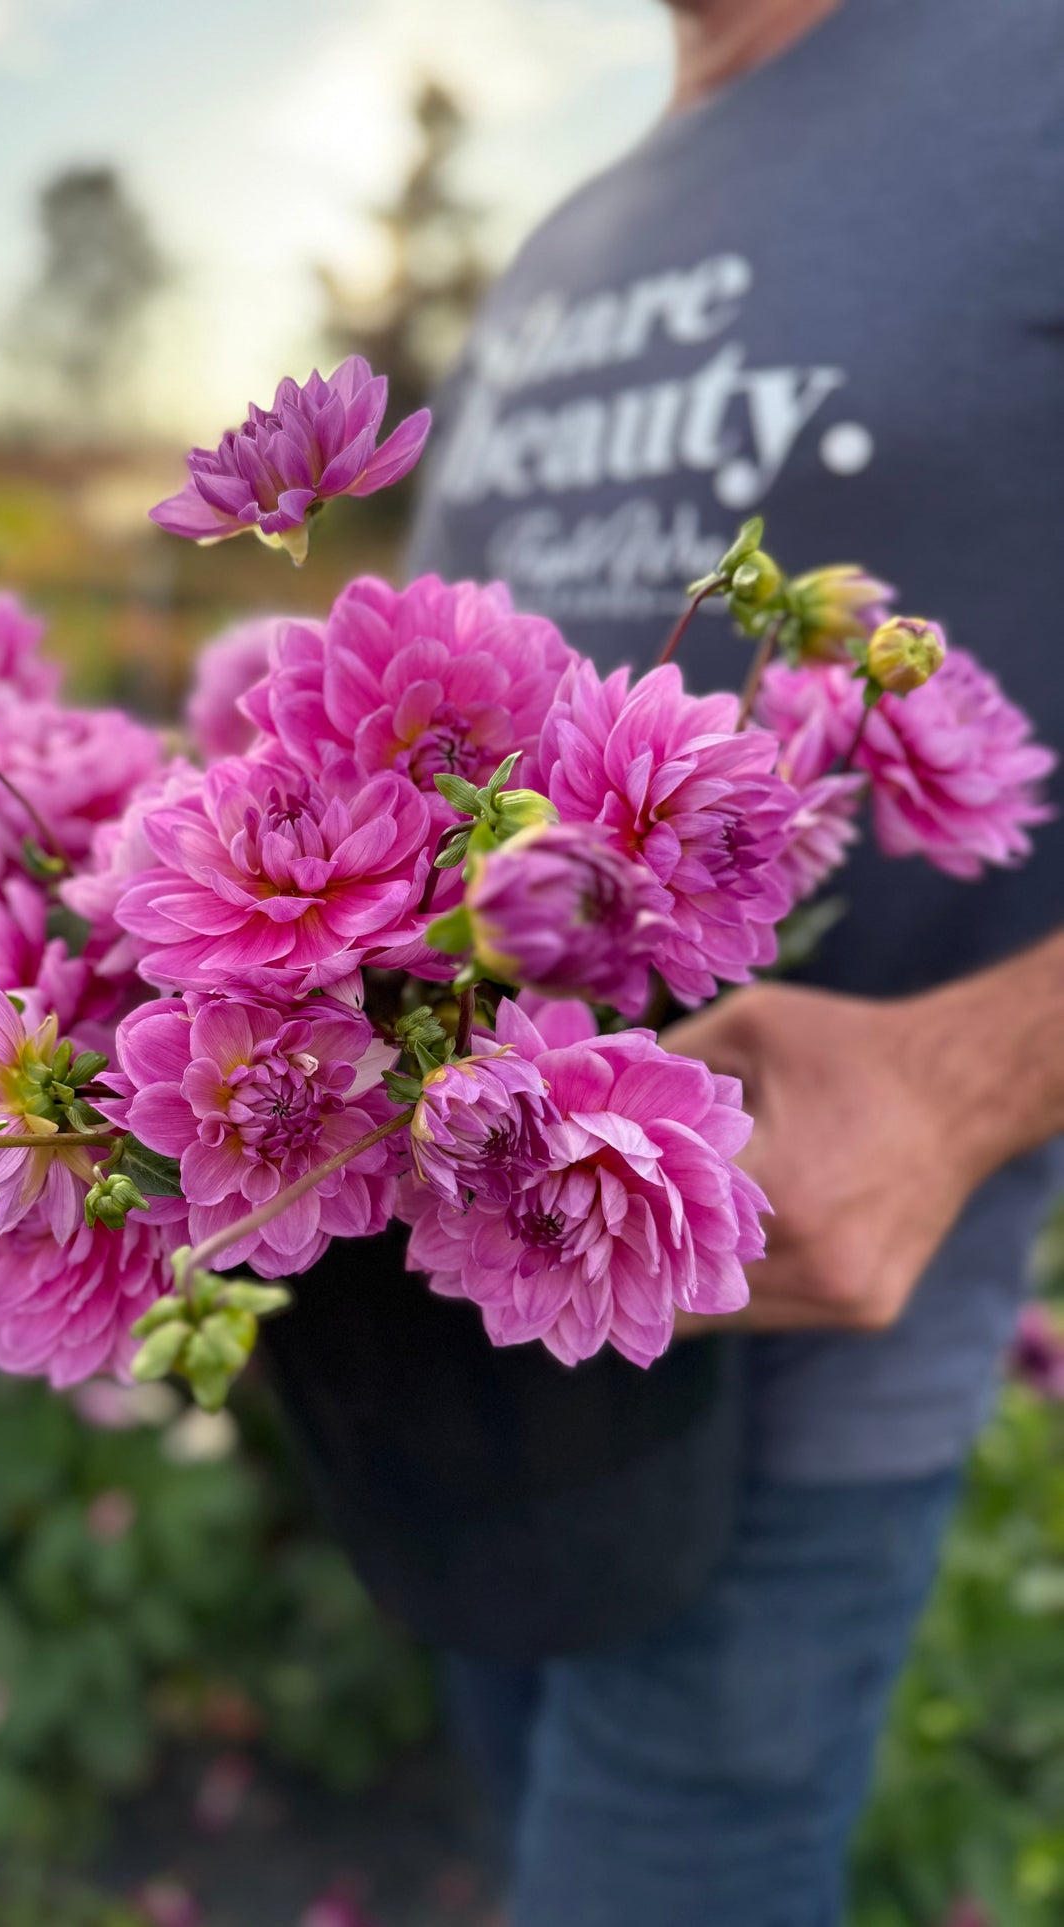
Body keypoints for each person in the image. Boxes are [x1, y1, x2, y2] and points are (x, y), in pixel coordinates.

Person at [268, 0, 1064, 1920]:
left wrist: (966, 1079)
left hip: (804, 1367)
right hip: (475, 1325)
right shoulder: (573, 234)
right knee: (507, 1819)